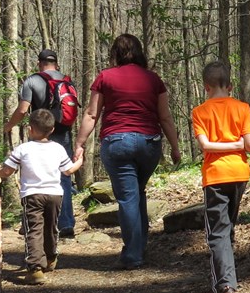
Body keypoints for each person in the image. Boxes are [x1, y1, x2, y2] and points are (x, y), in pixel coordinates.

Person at [74, 34, 181, 269]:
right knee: (136, 193)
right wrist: (174, 147)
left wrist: (80, 143)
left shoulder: (105, 77)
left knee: (128, 197)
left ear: (116, 53)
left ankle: (133, 255)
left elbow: (92, 114)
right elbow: (164, 116)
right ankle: (139, 246)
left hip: (117, 142)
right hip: (149, 143)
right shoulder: (153, 79)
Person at [192, 61, 250, 293]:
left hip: (216, 176)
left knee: (218, 232)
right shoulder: (242, 108)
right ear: (230, 86)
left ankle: (225, 288)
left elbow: (206, 146)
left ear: (206, 86)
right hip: (239, 174)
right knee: (227, 227)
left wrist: (231, 145)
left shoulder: (200, 112)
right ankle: (228, 280)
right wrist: (240, 145)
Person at [0, 109, 83, 284]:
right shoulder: (57, 148)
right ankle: (50, 258)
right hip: (55, 195)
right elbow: (68, 170)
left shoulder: (23, 149)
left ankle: (35, 268)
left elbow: (7, 171)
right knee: (51, 227)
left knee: (33, 230)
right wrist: (80, 160)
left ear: (29, 129)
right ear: (51, 130)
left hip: (32, 195)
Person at [4, 49, 77, 237]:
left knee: (34, 177)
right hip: (64, 133)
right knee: (64, 178)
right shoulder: (67, 81)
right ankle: (66, 223)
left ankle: (32, 222)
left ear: (39, 63)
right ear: (56, 63)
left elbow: (22, 110)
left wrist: (9, 126)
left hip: (39, 135)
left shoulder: (32, 81)